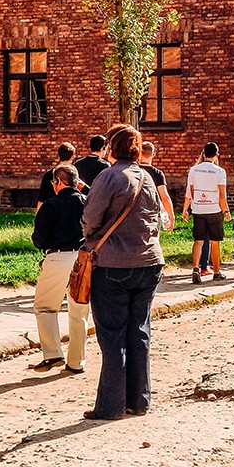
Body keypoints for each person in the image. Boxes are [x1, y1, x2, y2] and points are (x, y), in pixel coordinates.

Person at [81, 125, 165, 421]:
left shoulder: (109, 176)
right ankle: (139, 400)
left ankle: (110, 405)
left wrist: (90, 234)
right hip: (149, 261)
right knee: (139, 330)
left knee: (113, 335)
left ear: (111, 149)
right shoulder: (148, 177)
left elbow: (91, 218)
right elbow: (155, 217)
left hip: (113, 264)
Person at [30, 164, 91, 374]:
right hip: (82, 258)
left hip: (57, 257)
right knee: (79, 311)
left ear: (57, 182)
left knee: (45, 307)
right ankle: (76, 362)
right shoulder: (87, 201)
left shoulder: (50, 205)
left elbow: (39, 239)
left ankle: (53, 353)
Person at [183, 142, 228, 284]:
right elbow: (222, 195)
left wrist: (186, 210)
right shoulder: (220, 172)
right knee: (215, 242)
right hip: (214, 210)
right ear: (216, 155)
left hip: (198, 209)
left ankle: (196, 268)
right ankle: (216, 272)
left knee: (198, 240)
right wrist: (226, 210)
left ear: (203, 153)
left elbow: (190, 191)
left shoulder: (193, 170)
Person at [140, 142, 177, 230]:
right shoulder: (157, 174)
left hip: (134, 212)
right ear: (153, 154)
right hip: (152, 212)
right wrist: (171, 216)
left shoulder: (133, 170)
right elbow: (164, 197)